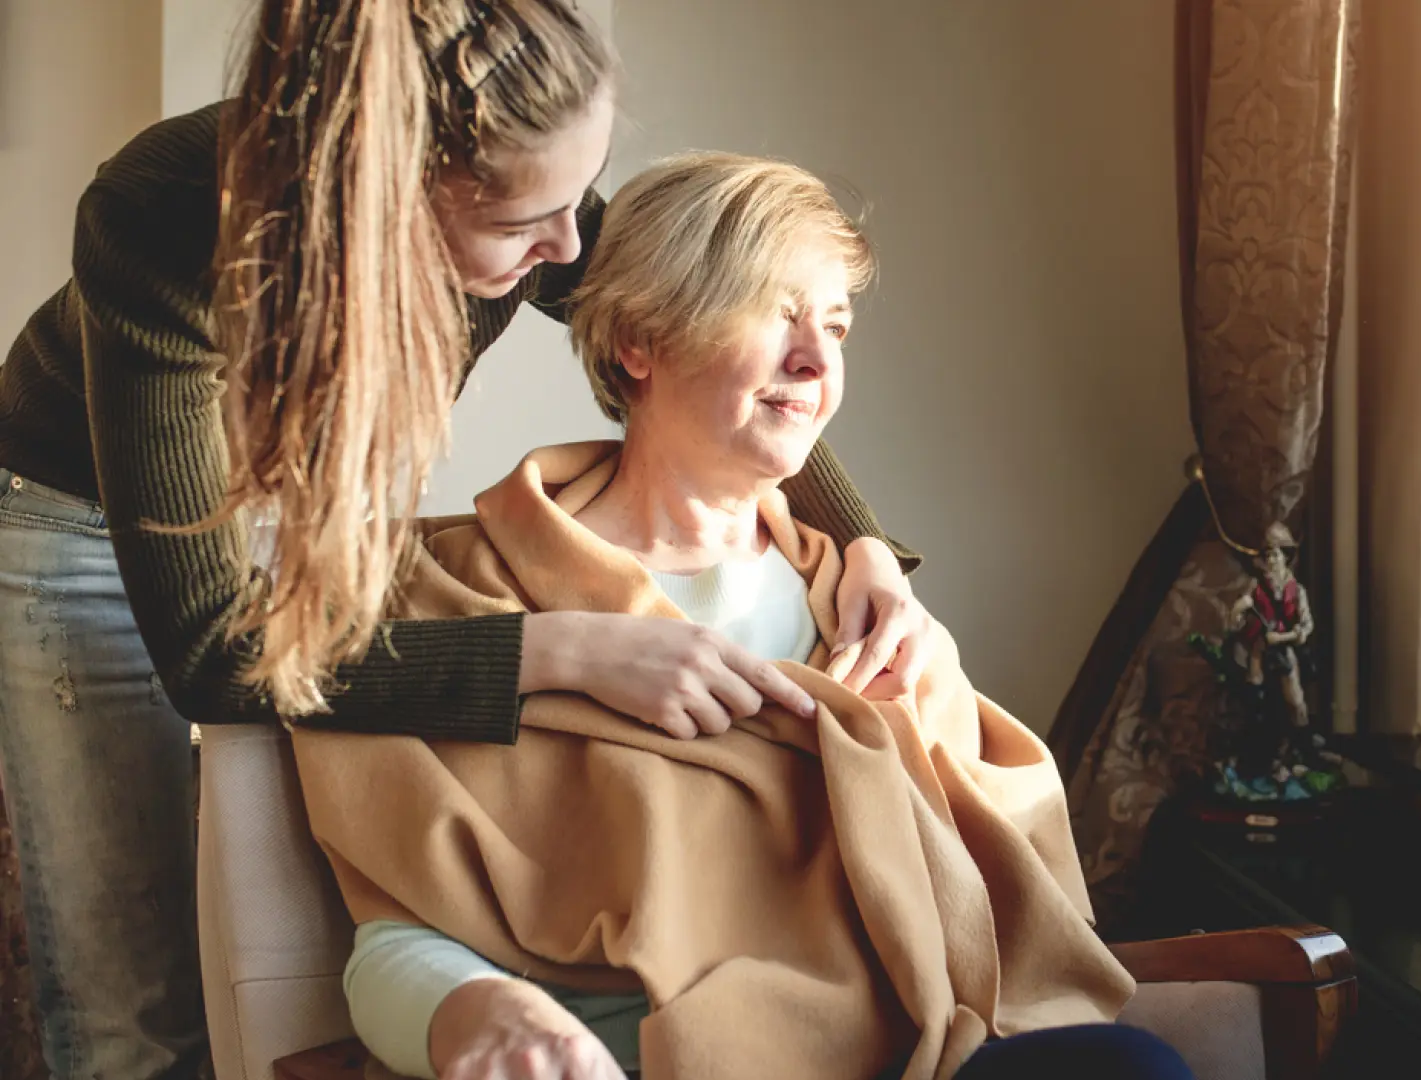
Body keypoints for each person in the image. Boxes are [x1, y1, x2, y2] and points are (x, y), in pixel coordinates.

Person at [0, 5, 928, 1079]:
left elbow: (685, 318)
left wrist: (855, 539)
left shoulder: (524, 194)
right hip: (74, 523)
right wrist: (567, 647)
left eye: (574, 201)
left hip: (292, 508)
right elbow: (216, 657)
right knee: (139, 1001)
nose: (568, 251)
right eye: (530, 224)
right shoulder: (162, 218)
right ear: (391, 189)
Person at [296, 152, 1192, 1080]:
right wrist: (477, 1008)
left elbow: (989, 903)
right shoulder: (470, 595)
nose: (816, 361)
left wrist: (924, 689)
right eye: (774, 311)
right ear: (638, 342)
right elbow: (395, 934)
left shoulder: (862, 607)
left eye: (835, 326)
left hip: (909, 1050)